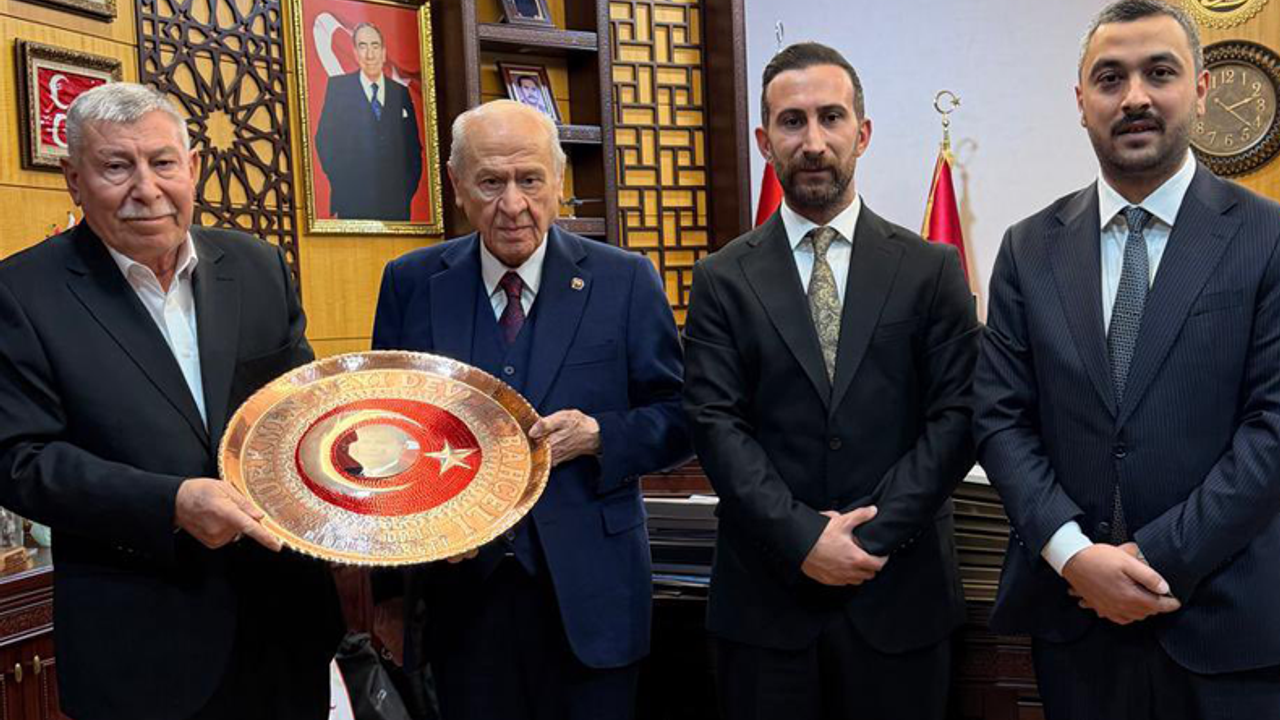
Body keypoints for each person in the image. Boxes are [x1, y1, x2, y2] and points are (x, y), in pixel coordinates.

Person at [974, 2, 1280, 717]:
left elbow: (1272, 426)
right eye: (1110, 78)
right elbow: (999, 418)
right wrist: (1073, 555)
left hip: (1226, 625)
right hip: (1075, 626)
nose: (1135, 97)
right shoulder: (1028, 247)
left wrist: (1155, 558)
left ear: (1199, 91)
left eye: (1159, 73)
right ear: (1081, 101)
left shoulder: (1267, 238)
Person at [0, 83, 342, 719]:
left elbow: (300, 410)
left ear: (194, 166)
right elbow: (19, 459)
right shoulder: (22, 293)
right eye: (116, 167)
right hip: (141, 649)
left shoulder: (257, 266)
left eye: (163, 162)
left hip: (283, 632)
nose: (146, 189)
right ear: (73, 180)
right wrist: (171, 504)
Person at [682, 42, 979, 720]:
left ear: (862, 133)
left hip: (901, 596)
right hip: (766, 606)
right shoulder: (721, 278)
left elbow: (958, 417)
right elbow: (715, 424)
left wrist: (868, 537)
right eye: (792, 121)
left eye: (831, 117)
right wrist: (803, 539)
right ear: (765, 141)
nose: (813, 142)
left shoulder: (931, 269)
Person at [371, 99, 691, 720]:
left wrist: (601, 436)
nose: (513, 204)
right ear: (457, 185)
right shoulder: (411, 283)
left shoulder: (625, 280)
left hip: (592, 599)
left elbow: (681, 417)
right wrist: (390, 589)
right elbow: (386, 436)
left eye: (530, 180)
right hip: (461, 603)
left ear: (559, 181)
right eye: (491, 182)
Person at [314, 22, 423, 221]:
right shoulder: (338, 88)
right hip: (352, 203)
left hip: (396, 206)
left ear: (383, 52)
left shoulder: (401, 93)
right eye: (362, 46)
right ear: (355, 53)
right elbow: (324, 140)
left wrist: (405, 192)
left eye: (375, 46)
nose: (370, 54)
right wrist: (343, 185)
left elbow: (414, 149)